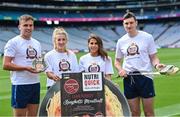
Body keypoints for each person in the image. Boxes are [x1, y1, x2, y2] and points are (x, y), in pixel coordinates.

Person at [114, 11, 165, 117]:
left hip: (145, 77)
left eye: (131, 23)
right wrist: (120, 70)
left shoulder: (147, 37)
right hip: (129, 79)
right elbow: (117, 61)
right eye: (126, 23)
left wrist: (157, 65)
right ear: (123, 25)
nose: (129, 25)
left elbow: (154, 57)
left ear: (136, 23)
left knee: (149, 113)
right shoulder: (121, 41)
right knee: (135, 113)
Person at [3, 14, 41, 116]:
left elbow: (39, 62)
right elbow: (5, 65)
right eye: (25, 25)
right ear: (19, 26)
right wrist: (25, 68)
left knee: (33, 115)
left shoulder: (37, 43)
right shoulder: (13, 42)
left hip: (35, 83)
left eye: (30, 25)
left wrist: (41, 67)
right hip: (20, 84)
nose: (28, 28)